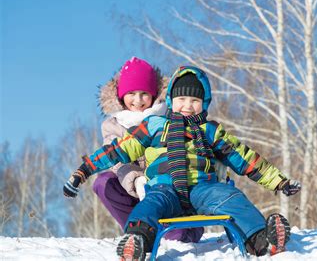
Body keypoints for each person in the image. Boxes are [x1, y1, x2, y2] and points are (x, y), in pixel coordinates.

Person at [64, 65, 301, 259]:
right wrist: (84, 170)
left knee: (233, 199)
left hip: (204, 189)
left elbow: (244, 158)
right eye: (182, 99)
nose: (188, 105)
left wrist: (279, 182)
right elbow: (118, 150)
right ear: (170, 100)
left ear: (204, 103)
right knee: (147, 208)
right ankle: (136, 241)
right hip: (165, 188)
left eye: (195, 100)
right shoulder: (155, 126)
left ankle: (262, 239)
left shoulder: (210, 130)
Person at [90, 57, 203, 243]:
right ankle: (136, 232)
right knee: (104, 182)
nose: (138, 100)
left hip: (170, 188)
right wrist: (137, 182)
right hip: (135, 190)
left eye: (144, 93)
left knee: (177, 238)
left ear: (154, 93)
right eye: (131, 93)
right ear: (120, 95)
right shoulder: (113, 125)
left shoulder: (170, 117)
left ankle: (180, 229)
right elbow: (118, 161)